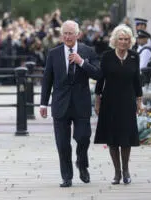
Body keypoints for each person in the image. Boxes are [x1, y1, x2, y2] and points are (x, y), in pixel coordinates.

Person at [40, 20, 102, 188]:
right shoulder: (53, 53)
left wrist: (82, 62)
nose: (67, 37)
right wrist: (43, 103)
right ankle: (66, 176)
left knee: (83, 138)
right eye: (65, 33)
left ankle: (82, 164)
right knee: (62, 143)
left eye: (70, 33)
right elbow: (47, 79)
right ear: (61, 35)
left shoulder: (87, 51)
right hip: (60, 104)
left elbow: (98, 74)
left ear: (78, 35)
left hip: (81, 103)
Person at [94, 24, 143, 185]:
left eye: (126, 39)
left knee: (126, 137)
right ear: (115, 40)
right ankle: (117, 172)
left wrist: (139, 100)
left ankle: (126, 170)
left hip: (128, 101)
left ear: (130, 41)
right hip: (110, 101)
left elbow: (137, 80)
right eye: (121, 39)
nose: (123, 42)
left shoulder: (135, 56)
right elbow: (101, 79)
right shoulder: (107, 56)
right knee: (113, 138)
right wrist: (97, 100)